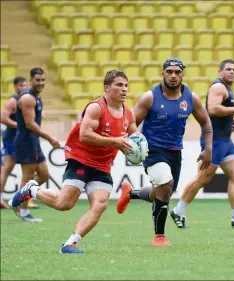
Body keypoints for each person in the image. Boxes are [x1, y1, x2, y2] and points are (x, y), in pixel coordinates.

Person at [9, 70, 136, 253]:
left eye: (126, 85)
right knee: (64, 204)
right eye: (119, 85)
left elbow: (134, 133)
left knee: (100, 205)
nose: (124, 89)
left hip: (103, 165)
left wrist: (139, 145)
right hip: (81, 159)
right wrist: (114, 142)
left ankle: (70, 244)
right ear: (107, 88)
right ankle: (32, 190)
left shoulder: (128, 113)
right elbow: (85, 135)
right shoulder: (96, 108)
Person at [116, 58, 213, 246]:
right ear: (163, 73)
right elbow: (130, 123)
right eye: (170, 72)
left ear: (182, 74)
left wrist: (208, 148)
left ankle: (131, 193)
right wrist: (132, 142)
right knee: (166, 184)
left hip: (175, 151)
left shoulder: (191, 98)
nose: (174, 76)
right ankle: (159, 236)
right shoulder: (149, 97)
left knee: (162, 192)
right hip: (152, 150)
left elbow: (206, 123)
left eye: (177, 72)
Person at [169, 59, 234, 228]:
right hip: (214, 141)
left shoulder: (226, 88)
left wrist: (230, 121)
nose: (232, 72)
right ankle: (178, 211)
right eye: (228, 69)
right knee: (202, 178)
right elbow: (213, 109)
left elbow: (217, 114)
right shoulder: (218, 87)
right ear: (220, 72)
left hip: (225, 140)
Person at [10, 68, 60, 222]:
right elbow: (30, 124)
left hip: (34, 141)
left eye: (43, 80)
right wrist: (50, 138)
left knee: (44, 174)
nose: (41, 83)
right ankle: (24, 213)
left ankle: (21, 196)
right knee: (28, 177)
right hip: (25, 141)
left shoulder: (37, 98)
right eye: (37, 80)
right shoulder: (27, 98)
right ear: (31, 80)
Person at [0, 77, 28, 208]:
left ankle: (24, 199)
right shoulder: (13, 101)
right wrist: (19, 125)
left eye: (25, 85)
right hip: (11, 140)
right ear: (15, 86)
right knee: (8, 169)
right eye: (21, 85)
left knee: (26, 169)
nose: (24, 87)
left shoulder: (26, 100)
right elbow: (3, 118)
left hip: (20, 140)